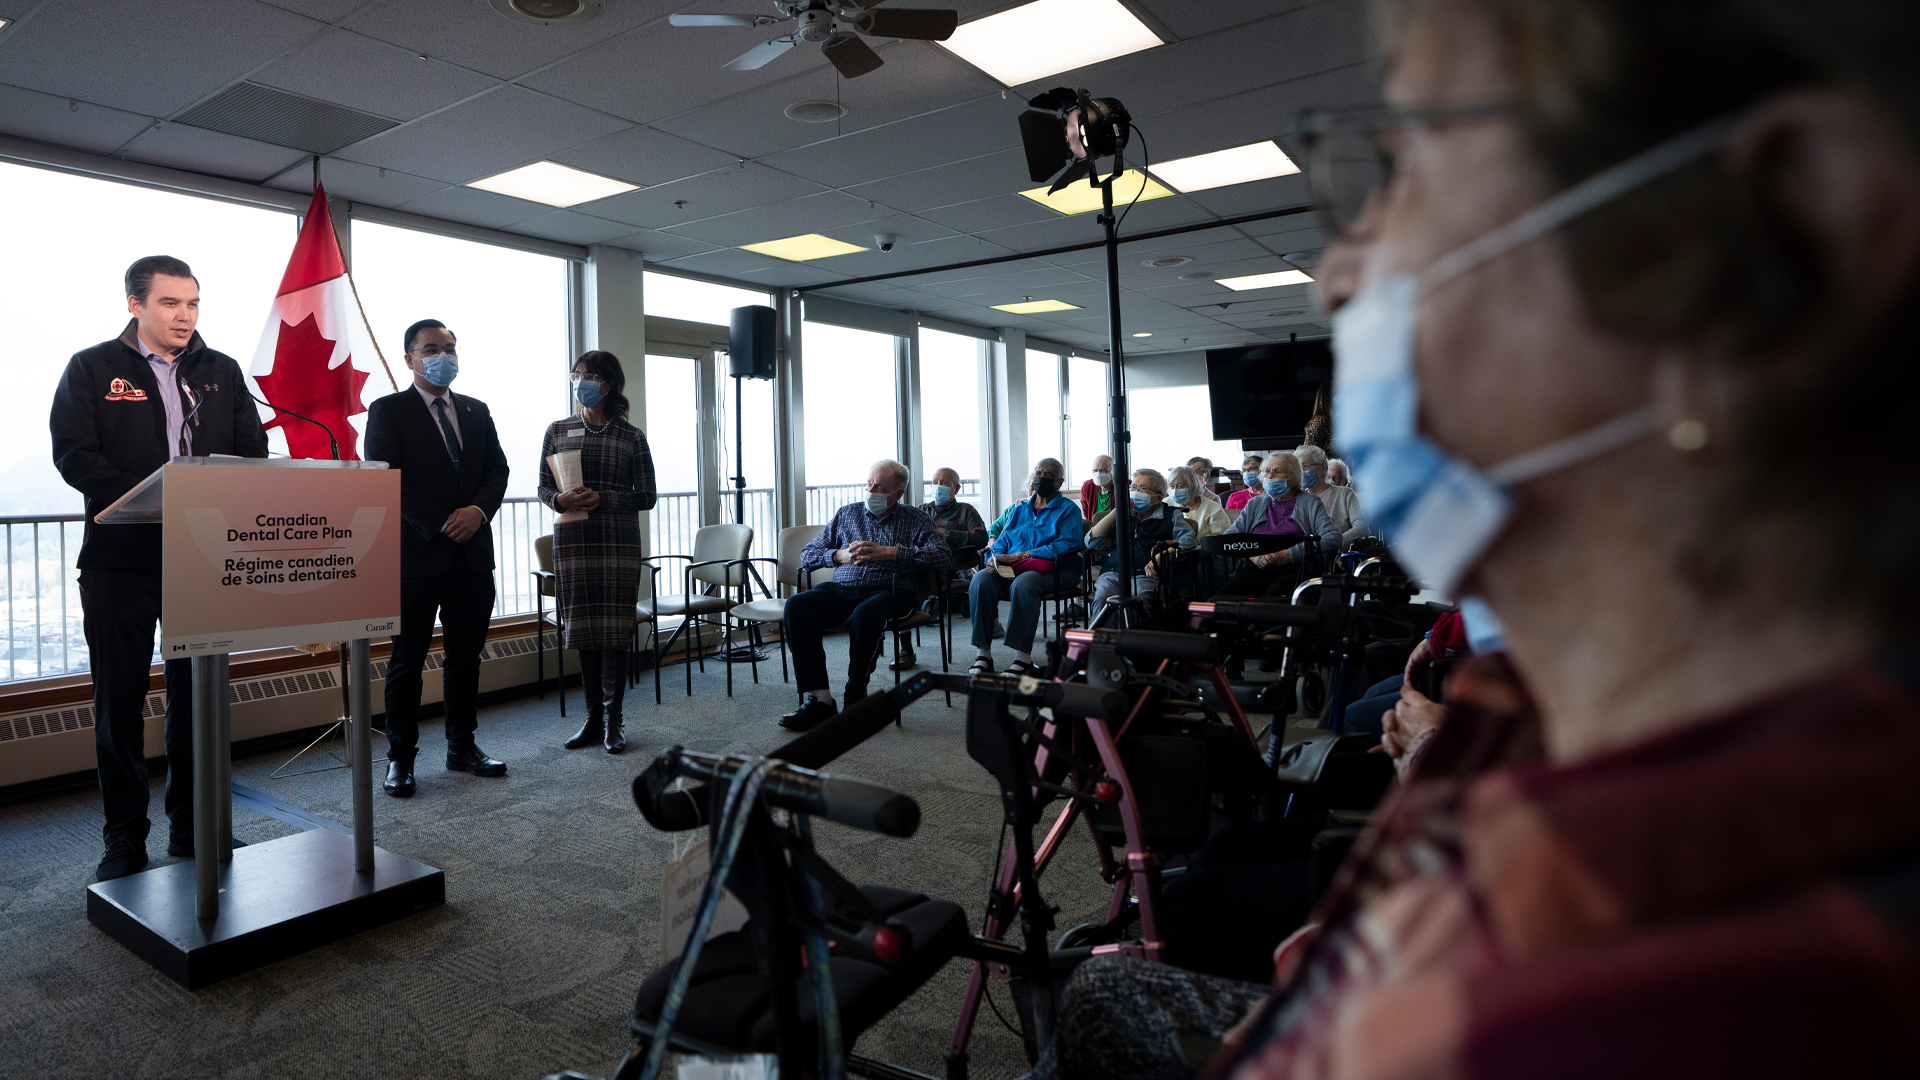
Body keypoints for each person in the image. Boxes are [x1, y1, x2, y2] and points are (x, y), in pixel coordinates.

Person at [1043, 0, 1920, 1075]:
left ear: (1780, 245)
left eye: (1412, 160)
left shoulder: (1650, 1017)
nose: (1337, 277)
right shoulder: (1525, 719)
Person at [50, 255, 269, 881]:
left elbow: (251, 452)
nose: (185, 315)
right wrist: (147, 497)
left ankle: (194, 826)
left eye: (193, 303)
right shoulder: (93, 368)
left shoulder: (220, 370)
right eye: (171, 303)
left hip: (203, 556)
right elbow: (75, 454)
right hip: (122, 559)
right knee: (119, 700)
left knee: (198, 697)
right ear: (135, 304)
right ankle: (124, 837)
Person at [364, 319, 511, 797]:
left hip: (472, 556)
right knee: (407, 662)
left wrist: (477, 511)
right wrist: (444, 521)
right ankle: (400, 759)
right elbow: (387, 478)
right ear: (409, 358)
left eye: (449, 348)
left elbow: (498, 470)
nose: (442, 356)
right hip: (417, 558)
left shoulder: (476, 409)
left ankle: (461, 747)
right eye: (431, 349)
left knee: (465, 658)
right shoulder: (388, 410)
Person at [537, 350, 656, 755]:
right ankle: (591, 719)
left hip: (618, 542)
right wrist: (559, 499)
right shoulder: (557, 430)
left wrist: (603, 498)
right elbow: (542, 487)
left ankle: (614, 720)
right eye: (576, 375)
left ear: (608, 384)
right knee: (585, 631)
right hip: (573, 542)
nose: (581, 382)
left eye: (589, 376)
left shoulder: (631, 436)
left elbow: (648, 496)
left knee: (614, 632)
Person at [780, 460, 949, 732]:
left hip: (891, 591)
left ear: (898, 493)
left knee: (865, 615)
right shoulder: (847, 514)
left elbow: (943, 557)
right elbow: (808, 554)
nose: (871, 490)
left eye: (879, 486)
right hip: (842, 588)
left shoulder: (915, 518)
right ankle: (820, 699)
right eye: (869, 484)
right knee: (797, 605)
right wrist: (838, 555)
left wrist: (891, 552)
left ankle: (855, 695)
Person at [967, 458, 1083, 677]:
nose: (1041, 478)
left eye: (1048, 476)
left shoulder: (1068, 510)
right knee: (980, 580)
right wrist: (995, 558)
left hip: (1059, 570)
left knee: (1024, 583)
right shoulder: (1020, 509)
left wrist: (1022, 555)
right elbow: (1002, 540)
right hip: (1014, 568)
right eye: (1038, 473)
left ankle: (1023, 659)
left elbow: (1066, 544)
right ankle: (983, 654)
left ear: (1059, 482)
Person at [1214, 452, 1340, 598]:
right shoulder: (1255, 504)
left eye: (1277, 471)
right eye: (1267, 471)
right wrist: (1253, 555)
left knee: (1272, 603)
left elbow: (1334, 538)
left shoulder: (1310, 502)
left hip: (1293, 569)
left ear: (1293, 479)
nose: (1269, 476)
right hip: (1255, 567)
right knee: (1221, 600)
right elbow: (1229, 537)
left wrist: (1289, 555)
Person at [895, 467, 986, 670]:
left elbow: (981, 538)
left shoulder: (966, 510)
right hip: (919, 562)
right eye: (934, 482)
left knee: (905, 584)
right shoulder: (921, 510)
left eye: (943, 482)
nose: (937, 486)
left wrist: (950, 534)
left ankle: (905, 647)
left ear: (956, 488)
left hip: (950, 565)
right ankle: (905, 648)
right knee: (898, 581)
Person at [1086, 468, 1195, 623]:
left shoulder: (1171, 514)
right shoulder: (1122, 514)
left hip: (1146, 574)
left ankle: (1136, 643)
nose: (1135, 491)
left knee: (1139, 601)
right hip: (1113, 571)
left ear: (1157, 498)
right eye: (1133, 487)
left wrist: (1162, 554)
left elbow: (1188, 539)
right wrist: (1117, 511)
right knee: (1104, 597)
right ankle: (1103, 643)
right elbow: (1092, 542)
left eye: (1142, 488)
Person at [1293, 443, 1367, 544]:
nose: (1301, 472)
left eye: (1305, 466)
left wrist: (1328, 544)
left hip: (1339, 557)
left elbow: (1361, 528)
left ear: (1323, 469)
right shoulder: (1296, 499)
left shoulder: (1345, 494)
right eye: (1298, 468)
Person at [1167, 464, 1231, 537]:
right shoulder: (1165, 504)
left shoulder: (1213, 508)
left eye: (1180, 486)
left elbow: (1222, 539)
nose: (1175, 490)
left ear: (1192, 486)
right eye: (1172, 486)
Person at [1078, 453, 1115, 520]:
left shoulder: (1121, 485)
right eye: (1095, 470)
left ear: (1113, 471)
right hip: (1095, 527)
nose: (1098, 474)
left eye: (1102, 470)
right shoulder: (1088, 486)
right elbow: (1086, 509)